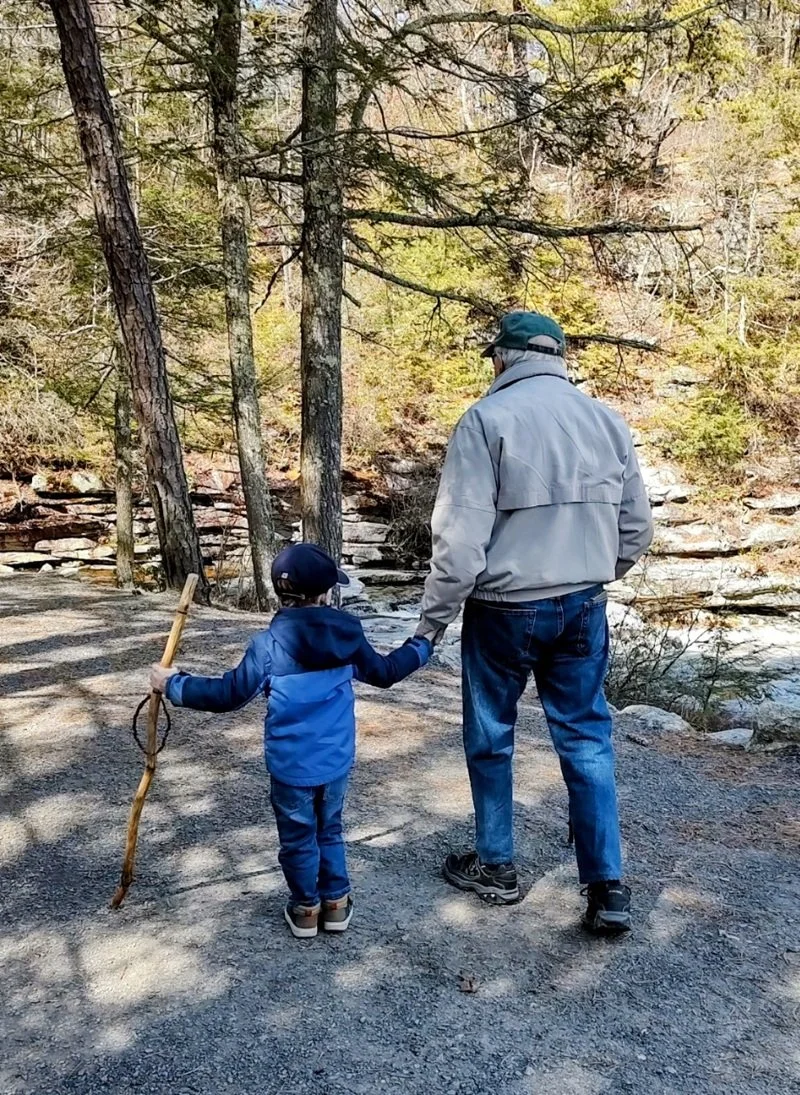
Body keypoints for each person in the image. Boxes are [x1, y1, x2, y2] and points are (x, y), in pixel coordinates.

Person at [416, 311, 653, 934]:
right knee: (586, 739)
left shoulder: (485, 420)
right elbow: (636, 530)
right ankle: (608, 888)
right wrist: (596, 572)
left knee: (492, 735)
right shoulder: (607, 421)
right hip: (584, 604)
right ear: (559, 356)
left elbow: (460, 542)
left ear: (502, 358)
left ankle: (496, 865)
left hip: (503, 610)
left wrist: (431, 623)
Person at [151, 542, 432, 939]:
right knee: (329, 828)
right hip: (335, 762)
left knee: (298, 836)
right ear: (324, 594)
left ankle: (305, 909)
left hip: (289, 767)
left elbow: (227, 695)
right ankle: (335, 903)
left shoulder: (267, 647)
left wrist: (173, 684)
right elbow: (385, 672)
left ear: (279, 594)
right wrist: (420, 646)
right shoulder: (348, 638)